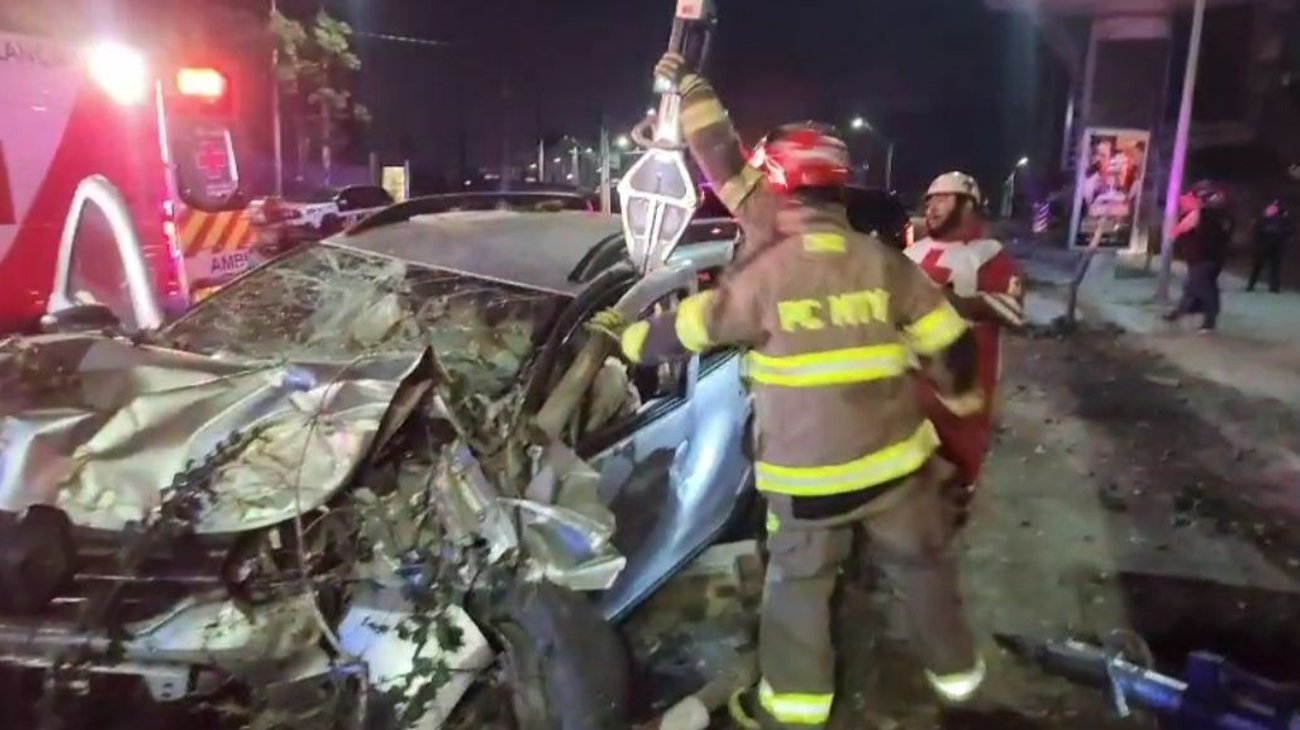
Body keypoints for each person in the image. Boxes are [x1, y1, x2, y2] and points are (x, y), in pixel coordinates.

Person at [589, 52, 987, 728]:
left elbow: (688, 328)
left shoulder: (764, 270)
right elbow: (953, 344)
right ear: (838, 187)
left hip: (809, 483)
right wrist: (962, 403)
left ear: (778, 181)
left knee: (799, 589)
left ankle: (794, 710)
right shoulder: (882, 262)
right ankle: (959, 682)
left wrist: (622, 339)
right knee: (924, 572)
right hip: (896, 467)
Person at [905, 172, 1024, 523]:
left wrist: (954, 302)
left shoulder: (991, 256)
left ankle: (955, 508)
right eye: (929, 201)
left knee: (961, 448)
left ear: (968, 205)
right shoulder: (913, 252)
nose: (931, 208)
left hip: (968, 376)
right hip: (914, 371)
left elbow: (1015, 311)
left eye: (942, 199)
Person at [1164, 183, 1231, 333]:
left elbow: (1178, 231)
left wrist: (1174, 232)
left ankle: (1209, 321)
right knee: (1192, 287)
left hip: (1202, 258)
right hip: (1207, 257)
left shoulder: (1202, 214)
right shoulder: (1218, 216)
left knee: (1204, 289)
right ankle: (1183, 311)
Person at [1247, 198, 1292, 293]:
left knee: (1264, 266)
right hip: (1271, 245)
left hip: (1268, 246)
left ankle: (1253, 285)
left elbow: (1255, 231)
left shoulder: (1267, 219)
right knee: (1270, 267)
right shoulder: (1281, 219)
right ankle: (1271, 287)